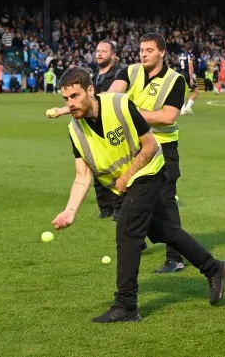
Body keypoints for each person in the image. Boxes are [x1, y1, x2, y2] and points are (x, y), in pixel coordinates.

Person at [51, 67, 225, 323]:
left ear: (90, 90)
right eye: (66, 99)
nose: (70, 104)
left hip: (148, 170)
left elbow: (150, 145)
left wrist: (127, 175)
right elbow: (82, 176)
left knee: (127, 232)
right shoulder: (75, 129)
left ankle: (126, 305)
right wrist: (70, 210)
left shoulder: (120, 105)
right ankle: (215, 268)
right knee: (164, 231)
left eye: (75, 96)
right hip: (126, 184)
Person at [48, 33, 189, 274]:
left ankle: (174, 257)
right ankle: (138, 240)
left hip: (163, 147)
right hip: (133, 146)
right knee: (129, 200)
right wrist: (67, 108)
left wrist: (129, 112)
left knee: (165, 201)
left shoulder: (175, 80)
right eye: (142, 50)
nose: (143, 54)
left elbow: (168, 117)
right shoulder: (130, 71)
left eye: (149, 50)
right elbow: (108, 98)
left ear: (162, 52)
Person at [47, 40, 124, 220]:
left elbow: (104, 98)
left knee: (118, 167)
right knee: (96, 166)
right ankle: (106, 208)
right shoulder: (95, 75)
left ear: (113, 55)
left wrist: (63, 110)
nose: (99, 54)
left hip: (113, 124)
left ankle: (121, 209)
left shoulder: (119, 74)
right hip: (93, 124)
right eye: (97, 51)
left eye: (104, 51)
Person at [178, 44, 199, 115]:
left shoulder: (181, 55)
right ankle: (187, 107)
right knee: (196, 91)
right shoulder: (190, 55)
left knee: (182, 92)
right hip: (187, 74)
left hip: (181, 73)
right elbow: (190, 67)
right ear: (192, 48)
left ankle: (182, 110)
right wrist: (191, 79)